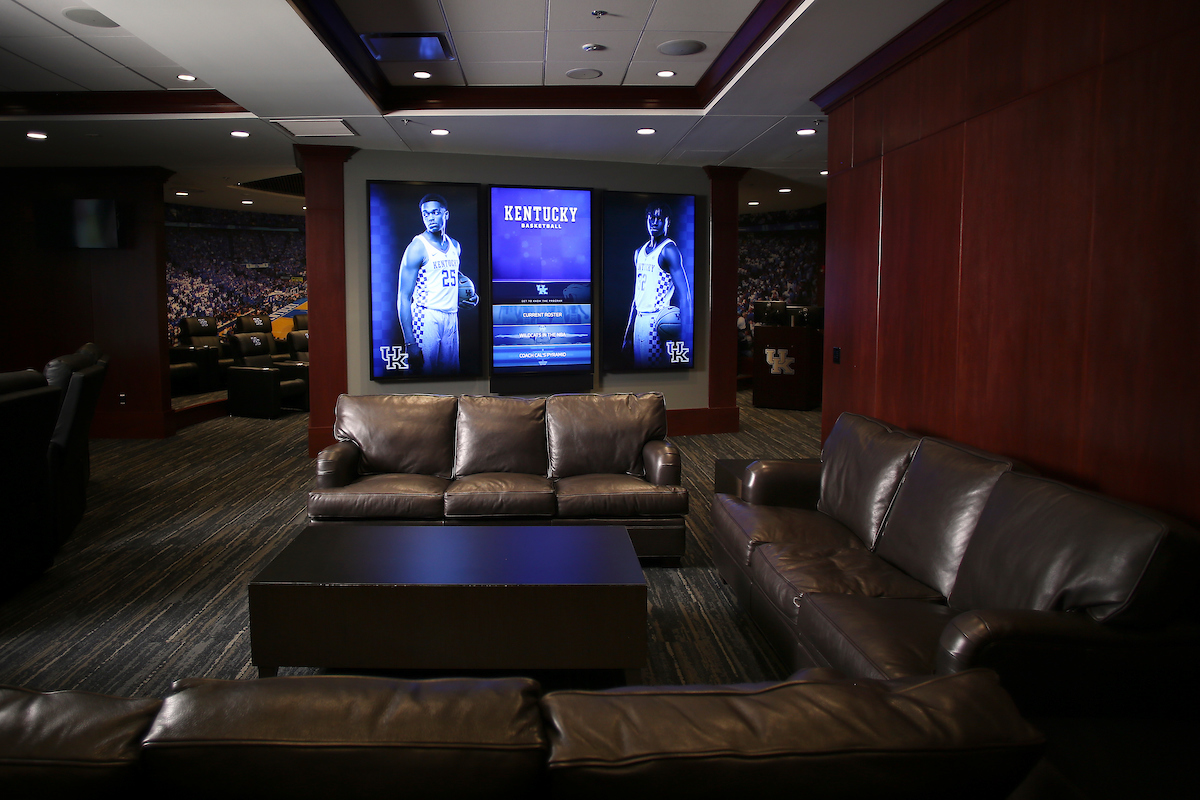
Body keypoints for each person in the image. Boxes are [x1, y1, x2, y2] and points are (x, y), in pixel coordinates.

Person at [397, 193, 477, 374]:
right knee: (422, 379)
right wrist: (409, 342)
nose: (430, 218)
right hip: (426, 317)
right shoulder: (417, 247)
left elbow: (454, 278)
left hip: (451, 317)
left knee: (450, 377)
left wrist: (473, 296)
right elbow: (403, 296)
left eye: (435, 213)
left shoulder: (455, 246)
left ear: (446, 214)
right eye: (426, 214)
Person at [622, 201, 692, 367]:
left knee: (652, 374)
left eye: (660, 218)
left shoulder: (669, 250)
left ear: (667, 221)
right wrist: (628, 332)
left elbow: (685, 295)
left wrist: (685, 335)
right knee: (640, 371)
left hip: (657, 320)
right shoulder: (639, 252)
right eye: (651, 217)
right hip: (639, 320)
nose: (655, 222)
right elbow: (637, 295)